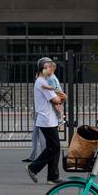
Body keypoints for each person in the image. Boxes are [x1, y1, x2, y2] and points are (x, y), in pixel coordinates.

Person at [26, 57, 66, 185]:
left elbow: (57, 97)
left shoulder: (44, 81)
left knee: (54, 147)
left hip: (50, 119)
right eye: (48, 67)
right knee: (54, 147)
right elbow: (56, 100)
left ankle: (52, 176)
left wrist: (61, 96)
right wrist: (62, 97)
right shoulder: (41, 82)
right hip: (46, 119)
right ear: (43, 69)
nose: (51, 70)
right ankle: (33, 168)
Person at [22, 68, 47, 163]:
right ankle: (33, 156)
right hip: (38, 112)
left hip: (42, 114)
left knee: (42, 137)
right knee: (35, 136)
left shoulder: (43, 82)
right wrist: (34, 110)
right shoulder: (38, 83)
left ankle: (44, 156)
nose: (35, 76)